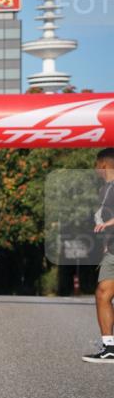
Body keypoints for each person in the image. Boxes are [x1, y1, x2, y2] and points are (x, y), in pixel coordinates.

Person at [86, 147, 114, 363]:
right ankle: (110, 347)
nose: (95, 169)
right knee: (103, 293)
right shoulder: (105, 189)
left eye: (97, 165)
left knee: (103, 294)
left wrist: (107, 224)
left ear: (104, 165)